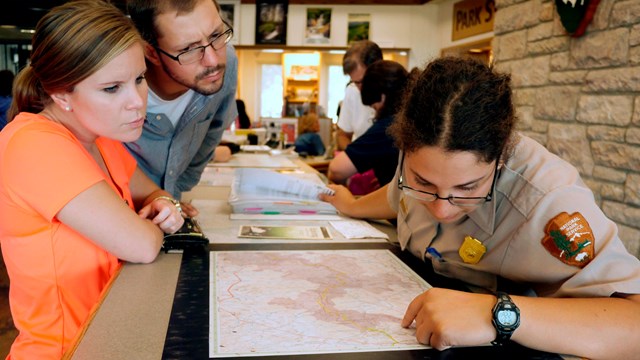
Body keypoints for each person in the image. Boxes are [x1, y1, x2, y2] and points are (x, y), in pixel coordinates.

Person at [320, 57, 640, 359]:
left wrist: (499, 314)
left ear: (501, 159)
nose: (441, 209)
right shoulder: (416, 155)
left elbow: (634, 326)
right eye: (424, 183)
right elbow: (397, 196)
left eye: (468, 188)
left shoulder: (549, 199)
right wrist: (353, 204)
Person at [0, 1, 185, 358]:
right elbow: (142, 245)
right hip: (68, 350)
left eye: (139, 79)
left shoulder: (98, 136)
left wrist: (165, 205)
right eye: (112, 88)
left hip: (114, 332)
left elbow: (153, 193)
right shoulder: (33, 144)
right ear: (60, 94)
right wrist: (150, 223)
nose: (137, 102)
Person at [125, 0, 239, 205]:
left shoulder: (227, 61)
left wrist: (173, 196)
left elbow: (213, 132)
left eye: (215, 35)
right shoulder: (114, 79)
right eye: (189, 49)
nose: (213, 61)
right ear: (151, 52)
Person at [327, 60, 407, 193]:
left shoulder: (389, 127)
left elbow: (336, 169)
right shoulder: (409, 119)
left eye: (374, 107)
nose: (375, 113)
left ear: (382, 98)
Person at [335, 40, 382, 151]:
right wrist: (356, 156)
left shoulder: (394, 89)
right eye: (355, 82)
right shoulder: (352, 91)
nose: (360, 88)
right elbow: (343, 135)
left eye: (362, 81)